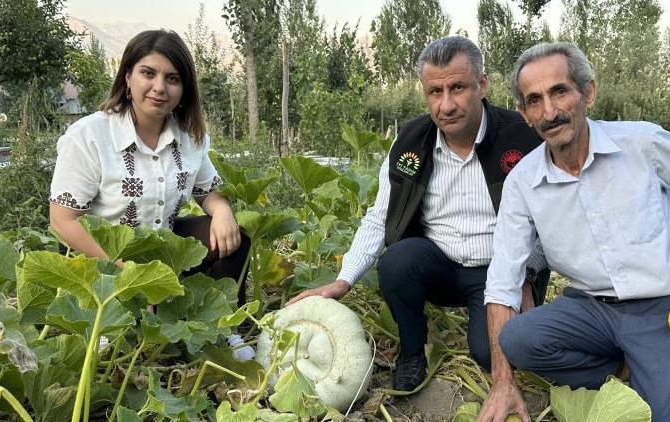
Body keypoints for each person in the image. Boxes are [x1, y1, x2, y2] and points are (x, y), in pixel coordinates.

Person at [478, 42, 670, 422]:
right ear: (524, 113)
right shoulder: (523, 181)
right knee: (518, 339)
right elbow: (503, 279)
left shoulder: (642, 143)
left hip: (667, 307)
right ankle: (626, 369)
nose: (550, 112)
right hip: (590, 310)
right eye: (534, 100)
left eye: (559, 92)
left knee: (660, 418)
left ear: (588, 92)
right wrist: (502, 381)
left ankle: (661, 371)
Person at [288, 36, 548, 391]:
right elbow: (379, 217)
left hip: (498, 271)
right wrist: (344, 279)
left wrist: (527, 273)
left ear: (482, 85)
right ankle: (412, 352)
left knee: (492, 355)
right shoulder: (410, 141)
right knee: (397, 261)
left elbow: (554, 219)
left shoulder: (523, 138)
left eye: (458, 88)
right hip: (436, 264)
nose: (446, 105)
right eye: (435, 92)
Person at [49, 30, 250, 301]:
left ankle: (225, 325)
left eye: (172, 79)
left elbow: (207, 192)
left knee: (234, 240)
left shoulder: (190, 138)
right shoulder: (89, 136)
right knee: (122, 331)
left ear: (184, 89)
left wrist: (223, 211)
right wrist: (124, 273)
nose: (159, 87)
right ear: (127, 77)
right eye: (148, 73)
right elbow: (63, 221)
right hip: (95, 254)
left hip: (158, 246)